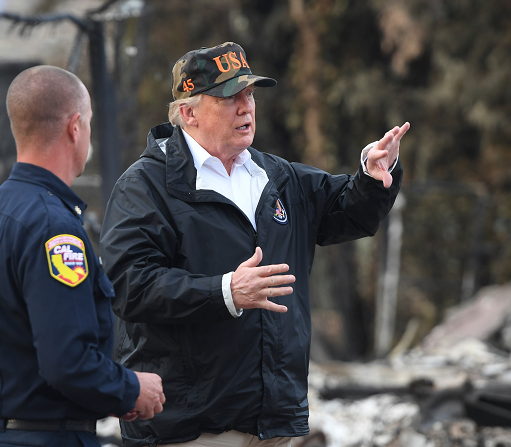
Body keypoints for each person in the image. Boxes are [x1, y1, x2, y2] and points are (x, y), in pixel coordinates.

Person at [99, 42, 409, 447]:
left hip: (274, 423)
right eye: (230, 97)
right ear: (188, 113)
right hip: (193, 427)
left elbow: (346, 212)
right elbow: (129, 286)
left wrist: (372, 174)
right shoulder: (145, 186)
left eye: (250, 94)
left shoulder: (276, 175)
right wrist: (225, 291)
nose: (246, 107)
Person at [0, 65, 165, 447]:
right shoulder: (55, 228)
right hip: (47, 438)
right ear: (75, 127)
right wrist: (131, 389)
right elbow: (67, 362)